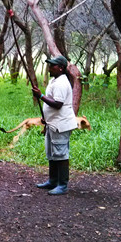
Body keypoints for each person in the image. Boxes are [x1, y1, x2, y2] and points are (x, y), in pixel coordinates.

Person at [31, 55, 78, 196]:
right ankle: (53, 181)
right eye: (50, 65)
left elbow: (57, 104)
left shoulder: (62, 83)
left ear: (61, 68)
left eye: (53, 65)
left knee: (61, 154)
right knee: (52, 153)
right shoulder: (54, 80)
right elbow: (51, 101)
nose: (50, 67)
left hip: (60, 124)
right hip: (52, 123)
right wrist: (45, 117)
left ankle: (62, 185)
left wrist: (40, 96)